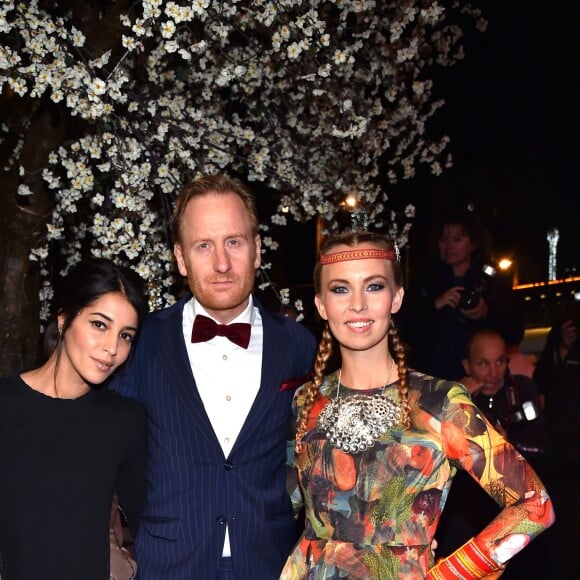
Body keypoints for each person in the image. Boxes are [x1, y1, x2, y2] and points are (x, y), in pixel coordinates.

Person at [281, 231, 554, 579]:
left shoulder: (440, 402)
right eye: (340, 289)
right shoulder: (305, 400)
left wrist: (452, 573)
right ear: (321, 304)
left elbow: (535, 504)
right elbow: (280, 508)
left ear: (396, 298)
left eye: (374, 286)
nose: (358, 303)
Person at [108, 173, 317, 579]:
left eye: (234, 242)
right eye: (204, 245)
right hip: (168, 565)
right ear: (181, 258)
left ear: (257, 250)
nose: (222, 263)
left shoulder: (298, 345)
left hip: (270, 564)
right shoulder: (139, 343)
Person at [0, 258, 148, 580]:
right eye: (99, 324)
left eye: (126, 336)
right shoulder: (5, 405)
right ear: (64, 318)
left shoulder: (126, 421)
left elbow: (146, 525)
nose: (112, 348)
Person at [435, 328, 551, 578]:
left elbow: (546, 447)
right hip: (464, 511)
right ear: (467, 365)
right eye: (483, 363)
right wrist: (458, 397)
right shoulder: (450, 398)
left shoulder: (522, 390)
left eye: (500, 361)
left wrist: (508, 446)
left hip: (519, 508)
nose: (493, 371)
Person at [397, 208, 524, 381]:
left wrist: (486, 313)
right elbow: (405, 327)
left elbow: (515, 331)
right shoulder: (426, 280)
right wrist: (435, 306)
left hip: (482, 381)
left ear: (473, 243)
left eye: (457, 239)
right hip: (434, 379)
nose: (449, 246)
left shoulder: (492, 282)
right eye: (443, 240)